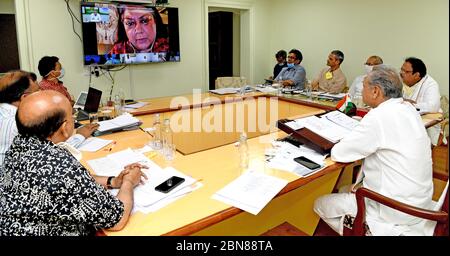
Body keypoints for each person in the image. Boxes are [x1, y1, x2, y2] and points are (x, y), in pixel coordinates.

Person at [0, 90, 148, 235]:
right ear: (65, 128)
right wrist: (129, 181)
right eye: (72, 116)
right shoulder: (61, 168)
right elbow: (117, 219)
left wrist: (113, 181)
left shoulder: (20, 144)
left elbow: (77, 182)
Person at [313, 65, 434, 236]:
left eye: (364, 86)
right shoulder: (408, 109)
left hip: (392, 209)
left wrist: (349, 137)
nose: (361, 91)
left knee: (319, 204)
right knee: (343, 190)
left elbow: (339, 153)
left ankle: (362, 231)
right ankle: (353, 222)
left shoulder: (379, 116)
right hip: (419, 202)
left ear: (376, 91)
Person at [0, 70, 98, 166]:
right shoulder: (18, 122)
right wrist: (80, 136)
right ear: (25, 98)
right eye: (38, 91)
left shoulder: (5, 113)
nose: (42, 93)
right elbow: (49, 153)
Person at [400, 57, 441, 145]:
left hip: (426, 125)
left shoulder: (430, 84)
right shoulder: (402, 81)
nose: (401, 73)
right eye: (401, 70)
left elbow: (433, 106)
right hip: (405, 118)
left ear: (417, 75)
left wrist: (407, 103)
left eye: (406, 72)